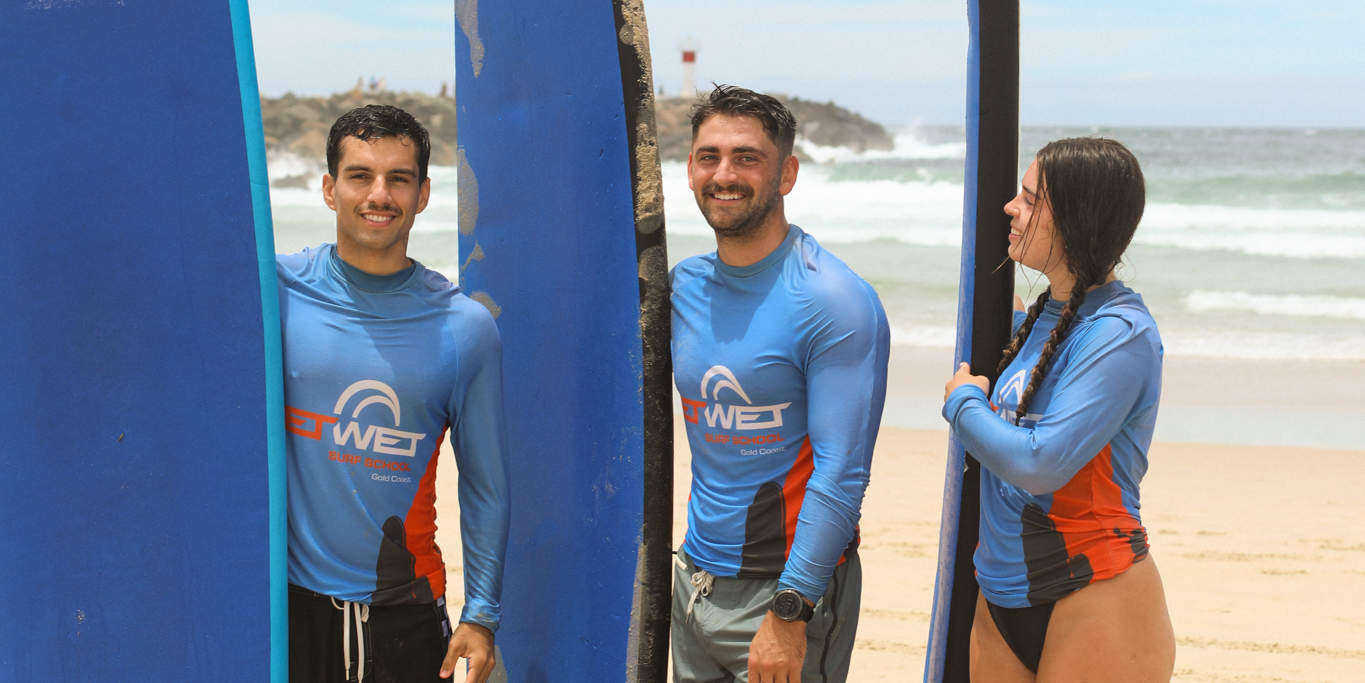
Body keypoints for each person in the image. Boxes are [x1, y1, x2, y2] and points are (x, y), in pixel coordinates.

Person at [277, 104, 509, 683]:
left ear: (424, 193)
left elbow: (485, 487)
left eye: (398, 179)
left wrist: (480, 615)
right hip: (286, 608)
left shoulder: (462, 328)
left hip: (403, 614)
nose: (378, 194)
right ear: (330, 189)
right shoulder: (275, 291)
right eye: (360, 176)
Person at [669, 85, 890, 683]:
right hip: (692, 584)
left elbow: (843, 471)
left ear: (787, 173)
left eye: (747, 157)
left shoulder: (833, 301)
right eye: (709, 156)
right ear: (689, 168)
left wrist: (791, 613)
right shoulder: (681, 288)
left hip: (786, 595)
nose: (724, 174)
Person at [943, 137, 1176, 681]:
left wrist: (962, 403)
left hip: (1094, 591)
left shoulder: (1119, 334)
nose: (1010, 208)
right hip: (1000, 591)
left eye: (1029, 200)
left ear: (1076, 221)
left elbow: (1040, 462)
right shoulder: (1041, 316)